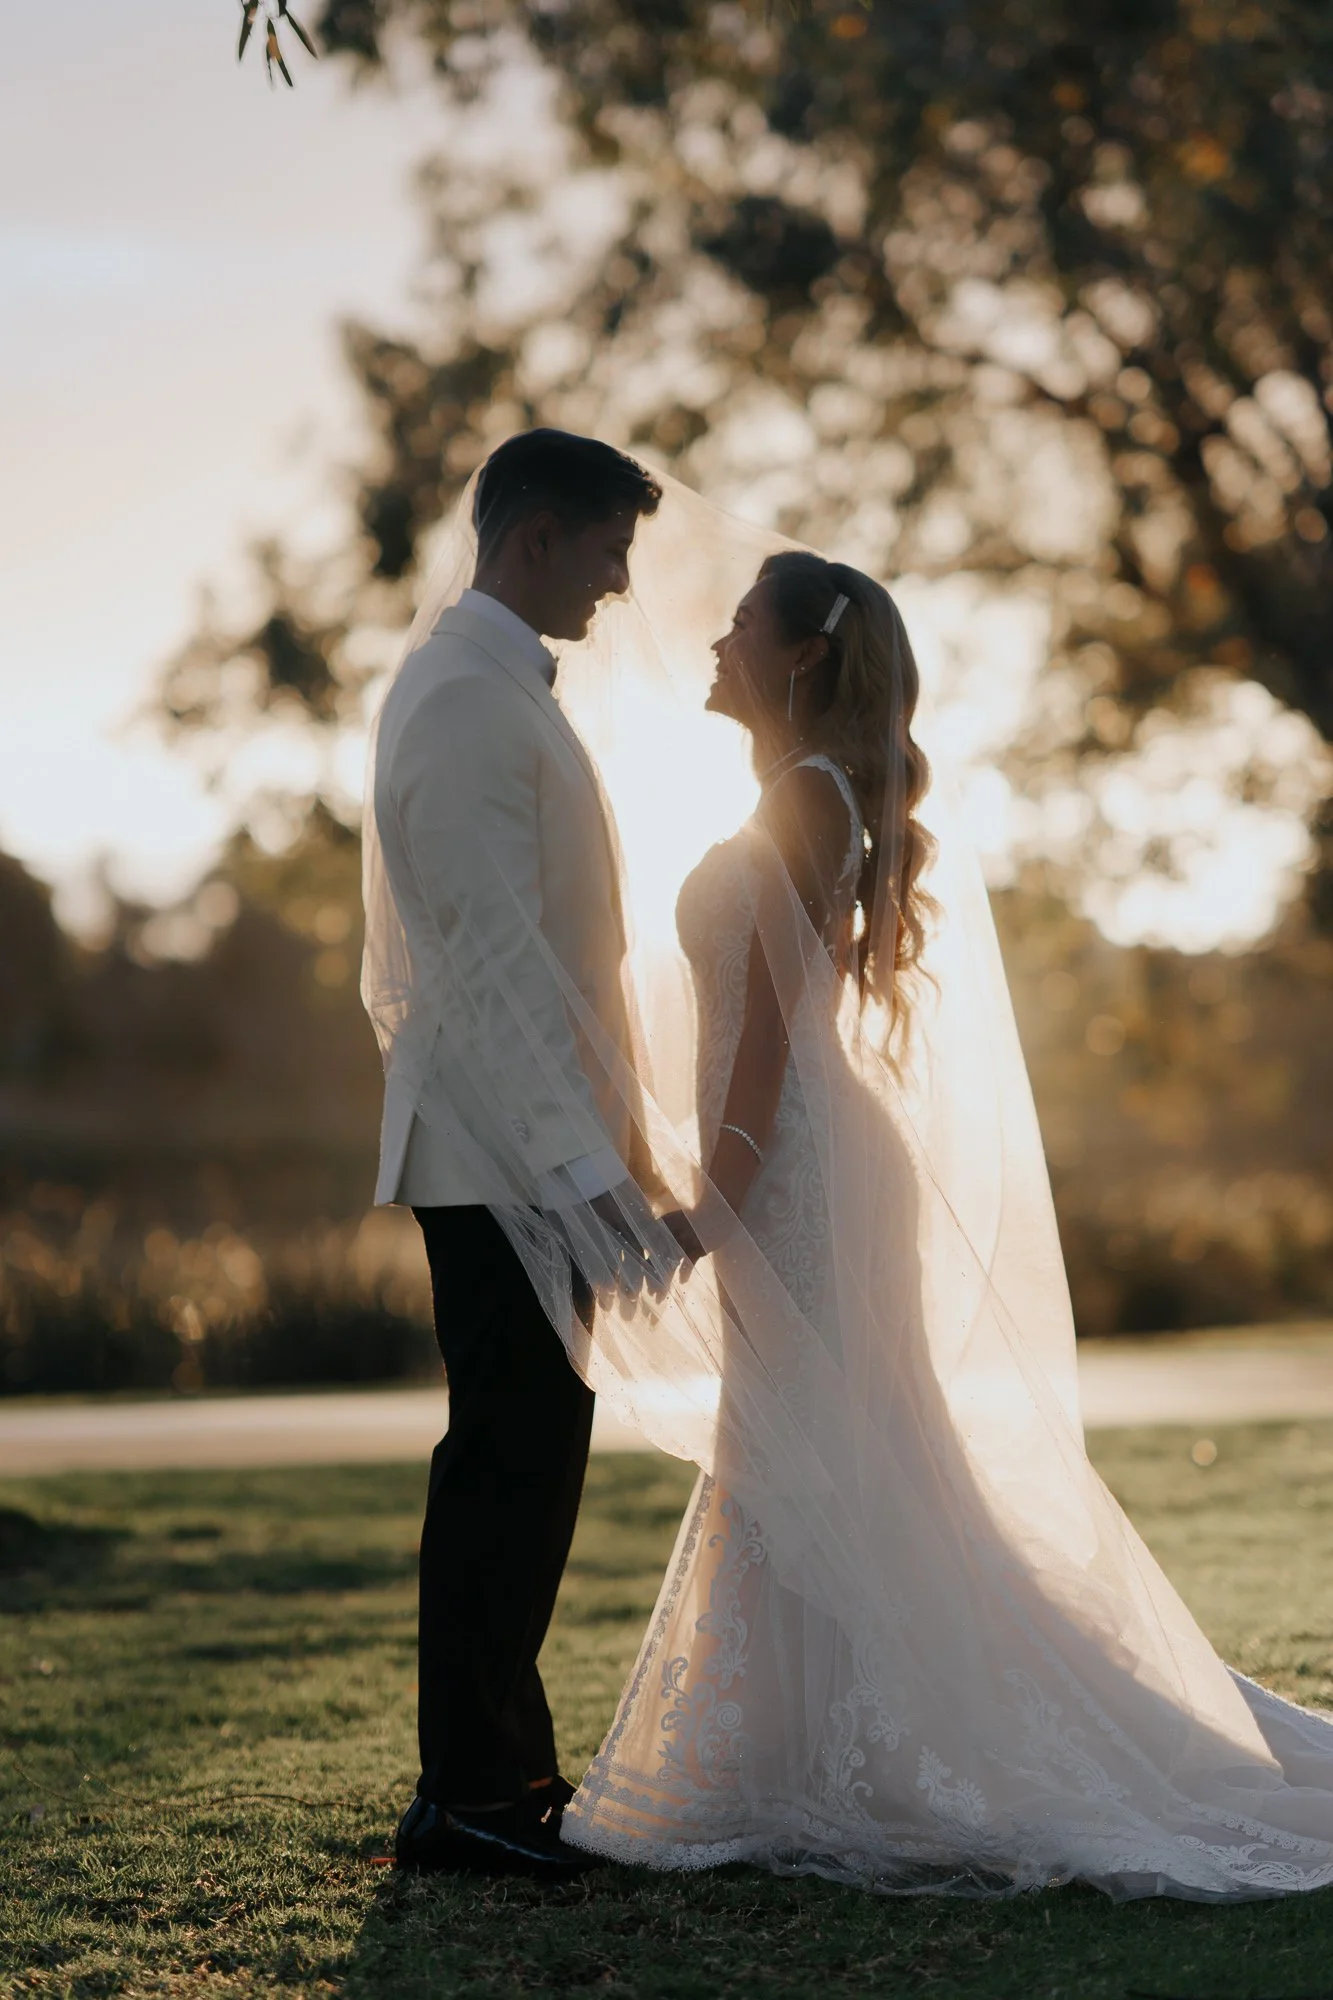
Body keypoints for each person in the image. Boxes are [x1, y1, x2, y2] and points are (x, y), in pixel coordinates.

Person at [558, 545, 1333, 1900]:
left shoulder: (803, 800)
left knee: (827, 1441)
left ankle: (854, 1751)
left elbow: (769, 1049)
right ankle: (798, 1747)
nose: (715, 641)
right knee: (816, 1441)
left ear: (800, 654)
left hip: (795, 1173)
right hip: (801, 1165)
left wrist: (711, 1205)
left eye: (741, 623)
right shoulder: (799, 795)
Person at [362, 429, 663, 1877]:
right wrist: (584, 1169)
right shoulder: (467, 700)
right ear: (537, 533)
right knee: (506, 1458)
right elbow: (489, 968)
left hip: (526, 1150)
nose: (618, 580)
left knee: (532, 1457)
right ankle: (471, 1796)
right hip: (499, 1159)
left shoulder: (488, 683)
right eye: (608, 547)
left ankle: (503, 1779)